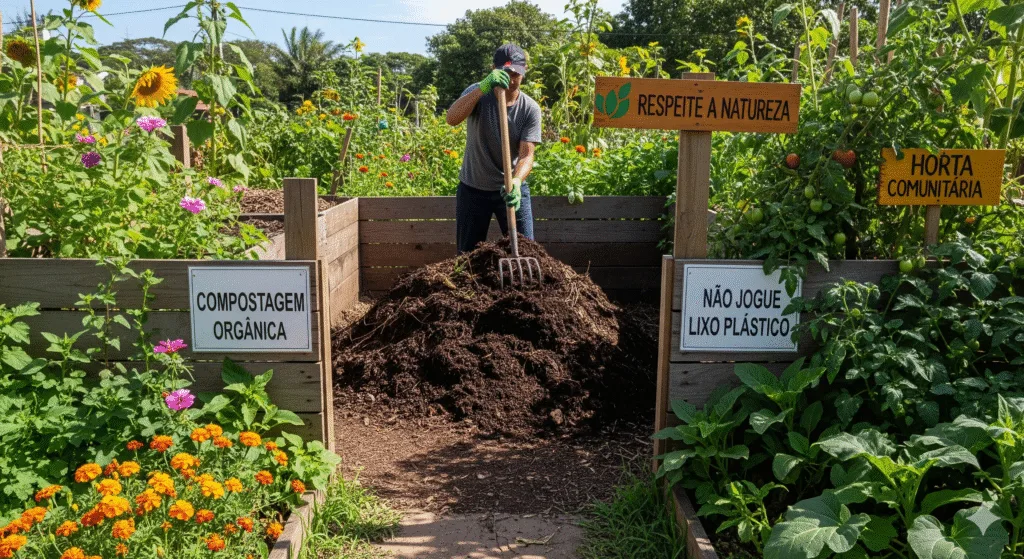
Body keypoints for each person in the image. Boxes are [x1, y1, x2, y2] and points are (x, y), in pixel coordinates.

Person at [445, 44, 542, 254]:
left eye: (517, 73)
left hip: (510, 189)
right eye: (506, 72)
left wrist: (516, 181)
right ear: (494, 69)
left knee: (526, 251)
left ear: (524, 72)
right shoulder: (477, 93)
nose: (512, 78)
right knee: (467, 256)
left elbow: (527, 155)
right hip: (473, 188)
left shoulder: (529, 109)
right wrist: (483, 87)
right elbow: (451, 119)